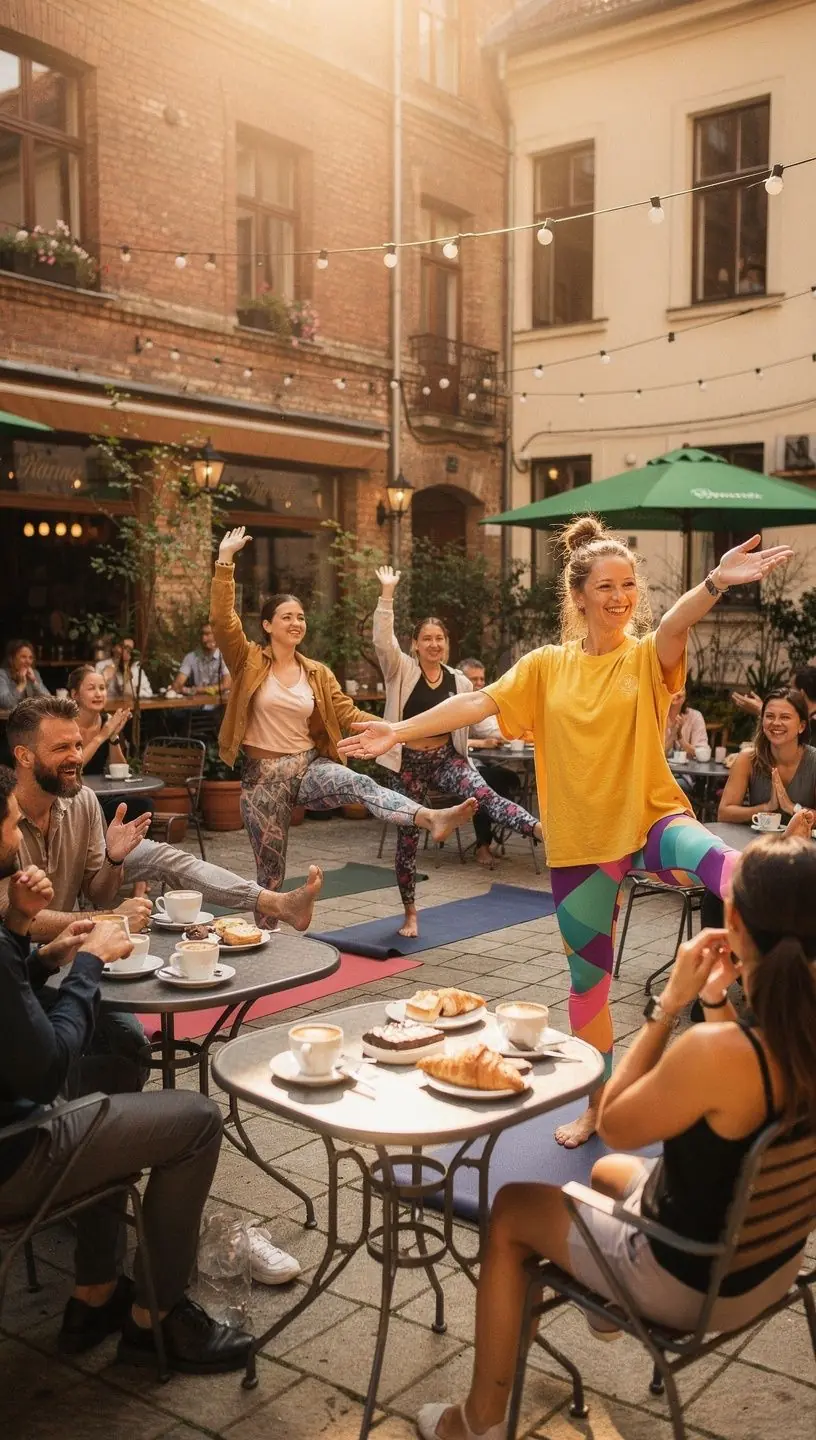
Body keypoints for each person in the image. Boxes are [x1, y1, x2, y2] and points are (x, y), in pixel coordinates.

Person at [341, 518, 792, 1146]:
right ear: (578, 596)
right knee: (588, 991)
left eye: (629, 585)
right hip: (582, 847)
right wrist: (397, 731)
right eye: (605, 585)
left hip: (650, 819)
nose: (619, 596)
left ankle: (785, 986)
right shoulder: (546, 666)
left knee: (735, 868)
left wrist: (716, 580)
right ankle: (596, 1106)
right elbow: (475, 705)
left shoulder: (645, 657)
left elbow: (673, 625)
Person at [415, 829, 816, 1440]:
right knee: (605, 1176)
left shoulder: (717, 1055)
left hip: (690, 1285)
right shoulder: (789, 1038)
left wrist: (669, 1006)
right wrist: (715, 1000)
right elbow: (747, 1089)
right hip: (771, 1270)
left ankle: (477, 1421)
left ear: (731, 919)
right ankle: (599, 1301)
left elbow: (618, 1123)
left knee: (514, 1209)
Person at [0, 766, 255, 1373]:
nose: (16, 831)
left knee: (114, 1071)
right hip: (14, 1149)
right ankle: (157, 1319)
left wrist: (25, 940)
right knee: (196, 1121)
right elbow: (44, 1069)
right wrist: (86, 963)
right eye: (8, 822)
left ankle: (95, 1294)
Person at [210, 527, 476, 897]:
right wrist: (225, 561)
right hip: (262, 779)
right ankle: (266, 940)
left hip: (307, 768)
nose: (296, 623)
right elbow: (223, 622)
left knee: (360, 783)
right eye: (286, 617)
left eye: (300, 617)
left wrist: (398, 730)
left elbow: (349, 712)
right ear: (268, 625)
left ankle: (430, 817)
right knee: (269, 876)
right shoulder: (248, 660)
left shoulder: (316, 672)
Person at [0, 698, 324, 941]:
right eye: (61, 748)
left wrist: (113, 859)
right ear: (24, 756)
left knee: (164, 857)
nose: (75, 756)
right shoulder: (4, 815)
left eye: (78, 745)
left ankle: (278, 903)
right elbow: (13, 916)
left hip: (72, 942)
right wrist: (113, 918)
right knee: (124, 1029)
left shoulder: (81, 800)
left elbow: (97, 891)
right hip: (18, 961)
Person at [372, 568, 541, 935]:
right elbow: (383, 641)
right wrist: (387, 595)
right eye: (427, 639)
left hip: (447, 759)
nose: (434, 644)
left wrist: (523, 730)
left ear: (446, 644)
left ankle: (539, 829)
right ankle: (410, 913)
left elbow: (482, 724)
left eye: (440, 639)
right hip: (408, 765)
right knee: (408, 836)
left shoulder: (459, 681)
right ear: (414, 644)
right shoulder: (400, 669)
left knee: (486, 794)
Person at [459, 657, 525, 869]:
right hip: (458, 766)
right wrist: (482, 742)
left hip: (482, 762)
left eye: (482, 679)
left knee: (507, 778)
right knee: (485, 785)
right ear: (461, 679)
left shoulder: (482, 701)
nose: (479, 683)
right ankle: (483, 845)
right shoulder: (460, 702)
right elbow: (491, 731)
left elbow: (495, 726)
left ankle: (496, 827)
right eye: (474, 679)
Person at [68, 664, 153, 824]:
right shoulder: (66, 725)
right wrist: (102, 736)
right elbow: (75, 766)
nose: (99, 694)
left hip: (100, 797)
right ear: (75, 694)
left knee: (144, 806)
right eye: (91, 688)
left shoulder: (107, 722)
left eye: (102, 688)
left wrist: (113, 737)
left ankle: (122, 847)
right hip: (72, 798)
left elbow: (119, 770)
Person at [718, 689, 816, 824]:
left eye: (785, 717)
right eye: (769, 716)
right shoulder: (748, 758)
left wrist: (792, 808)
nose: (776, 723)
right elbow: (724, 813)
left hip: (803, 843)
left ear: (801, 726)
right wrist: (766, 808)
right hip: (757, 842)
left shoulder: (814, 761)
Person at [732, 666, 816, 721]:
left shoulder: (812, 725)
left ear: (802, 694)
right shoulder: (806, 718)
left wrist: (761, 710)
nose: (787, 692)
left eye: (790, 688)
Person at [173, 621, 231, 699]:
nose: (204, 638)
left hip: (218, 706)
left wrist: (196, 690)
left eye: (208, 634)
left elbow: (227, 685)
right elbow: (177, 685)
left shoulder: (225, 656)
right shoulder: (191, 657)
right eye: (202, 634)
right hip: (196, 706)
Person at [0, 639, 50, 708]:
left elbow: (49, 700)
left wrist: (34, 681)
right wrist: (21, 685)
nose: (28, 661)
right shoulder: (2, 675)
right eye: (23, 657)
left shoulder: (34, 673)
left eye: (30, 658)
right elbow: (6, 704)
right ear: (11, 659)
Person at [664, 688, 708, 757]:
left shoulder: (695, 716)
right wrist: (672, 735)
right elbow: (654, 756)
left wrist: (680, 737)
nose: (678, 693)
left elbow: (703, 754)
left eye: (682, 688)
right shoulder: (654, 717)